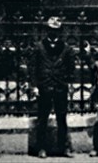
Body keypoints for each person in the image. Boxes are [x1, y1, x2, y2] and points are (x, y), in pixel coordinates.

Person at [29, 17, 76, 159]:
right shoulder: (39, 47)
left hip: (60, 87)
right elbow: (33, 68)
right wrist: (34, 86)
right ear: (47, 31)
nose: (53, 33)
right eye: (50, 30)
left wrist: (70, 83)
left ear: (60, 32)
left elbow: (71, 68)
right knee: (42, 118)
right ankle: (41, 148)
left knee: (62, 118)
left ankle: (64, 148)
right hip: (44, 86)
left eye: (56, 31)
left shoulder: (66, 48)